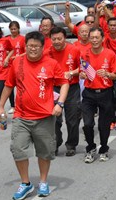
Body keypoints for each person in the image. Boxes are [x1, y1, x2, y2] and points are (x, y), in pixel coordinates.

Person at [0, 31, 68, 199]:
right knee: (18, 149)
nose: (32, 49)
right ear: (25, 46)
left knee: (44, 152)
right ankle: (26, 183)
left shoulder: (51, 63)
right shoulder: (17, 62)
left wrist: (60, 103)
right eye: (29, 46)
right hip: (21, 116)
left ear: (43, 47)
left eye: (36, 46)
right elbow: (8, 85)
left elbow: (64, 83)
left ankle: (43, 182)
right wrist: (0, 107)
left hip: (44, 117)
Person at [80, 28, 116, 163]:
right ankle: (90, 148)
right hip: (89, 94)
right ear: (89, 39)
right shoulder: (85, 54)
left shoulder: (110, 54)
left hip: (105, 93)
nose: (95, 40)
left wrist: (107, 74)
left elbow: (115, 75)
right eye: (92, 38)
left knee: (103, 125)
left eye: (97, 37)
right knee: (88, 124)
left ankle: (104, 149)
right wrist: (82, 74)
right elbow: (81, 71)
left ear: (102, 39)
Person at [48, 27, 81, 156]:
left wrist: (71, 72)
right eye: (54, 39)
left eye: (59, 39)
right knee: (54, 118)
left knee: (72, 118)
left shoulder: (74, 50)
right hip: (54, 88)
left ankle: (71, 144)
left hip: (72, 88)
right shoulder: (47, 52)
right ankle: (56, 142)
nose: (56, 41)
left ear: (65, 38)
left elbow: (83, 67)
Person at [5, 21, 25, 114]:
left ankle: (22, 104)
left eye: (15, 29)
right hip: (9, 66)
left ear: (18, 29)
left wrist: (18, 57)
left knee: (21, 86)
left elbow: (26, 51)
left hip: (21, 65)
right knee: (10, 86)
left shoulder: (22, 39)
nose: (13, 31)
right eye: (11, 29)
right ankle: (12, 105)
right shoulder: (6, 39)